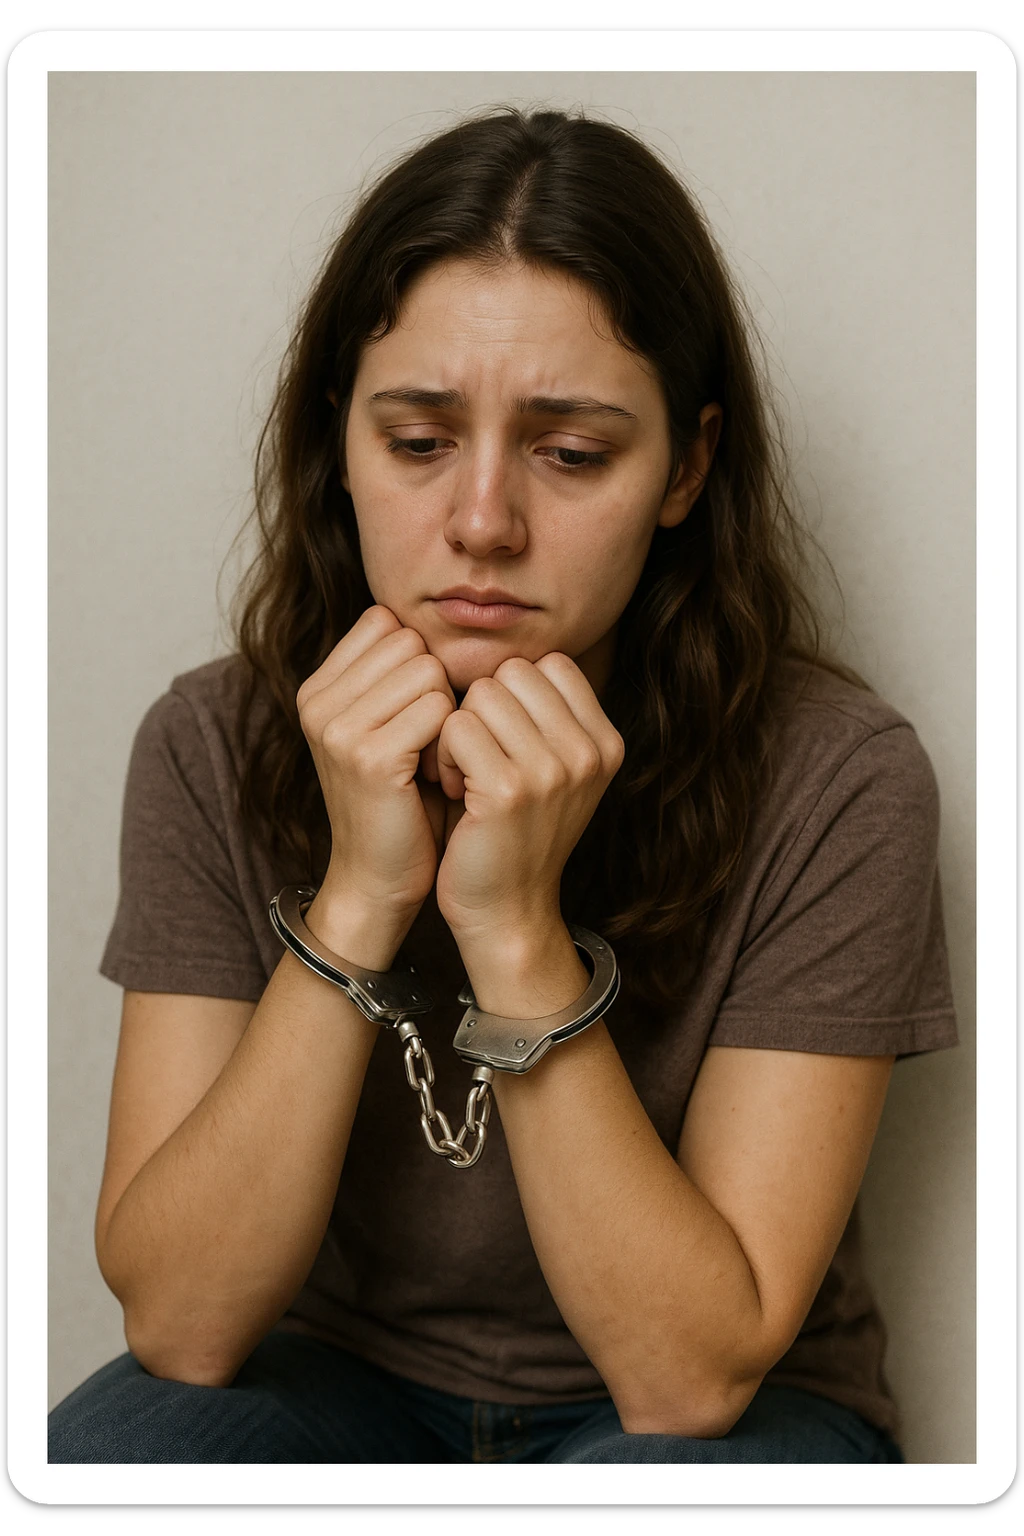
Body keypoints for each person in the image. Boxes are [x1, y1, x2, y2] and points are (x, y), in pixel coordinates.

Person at [49, 106, 957, 1466]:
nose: (481, 521)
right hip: (336, 1382)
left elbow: (690, 1381)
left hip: (716, 1413)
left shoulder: (839, 778)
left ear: (686, 469)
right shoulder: (212, 740)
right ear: (338, 446)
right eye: (416, 442)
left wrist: (519, 935)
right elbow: (181, 1327)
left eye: (572, 452)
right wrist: (361, 893)